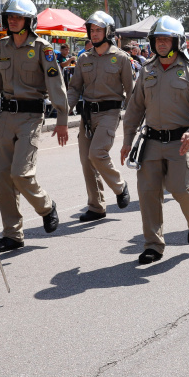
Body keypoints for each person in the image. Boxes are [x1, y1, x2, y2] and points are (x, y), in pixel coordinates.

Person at [121, 16, 189, 263]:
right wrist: (127, 140)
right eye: (157, 39)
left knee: (180, 189)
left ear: (177, 41)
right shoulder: (147, 71)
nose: (161, 44)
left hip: (179, 143)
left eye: (166, 39)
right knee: (148, 193)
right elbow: (134, 110)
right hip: (150, 143)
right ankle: (153, 245)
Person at [0, 0, 69, 252]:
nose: (12, 20)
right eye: (9, 16)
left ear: (29, 21)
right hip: (6, 117)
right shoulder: (2, 46)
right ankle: (12, 233)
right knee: (2, 176)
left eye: (17, 17)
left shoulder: (43, 48)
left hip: (31, 117)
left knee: (21, 173)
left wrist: (62, 120)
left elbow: (56, 85)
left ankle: (46, 206)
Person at [66, 11, 135, 222]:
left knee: (97, 154)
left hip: (110, 113)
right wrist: (63, 111)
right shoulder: (83, 58)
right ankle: (96, 206)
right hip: (87, 115)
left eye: (98, 30)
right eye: (92, 30)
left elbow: (131, 92)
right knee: (87, 162)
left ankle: (120, 186)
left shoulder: (122, 58)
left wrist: (133, 123)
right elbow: (74, 88)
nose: (94, 34)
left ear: (108, 32)